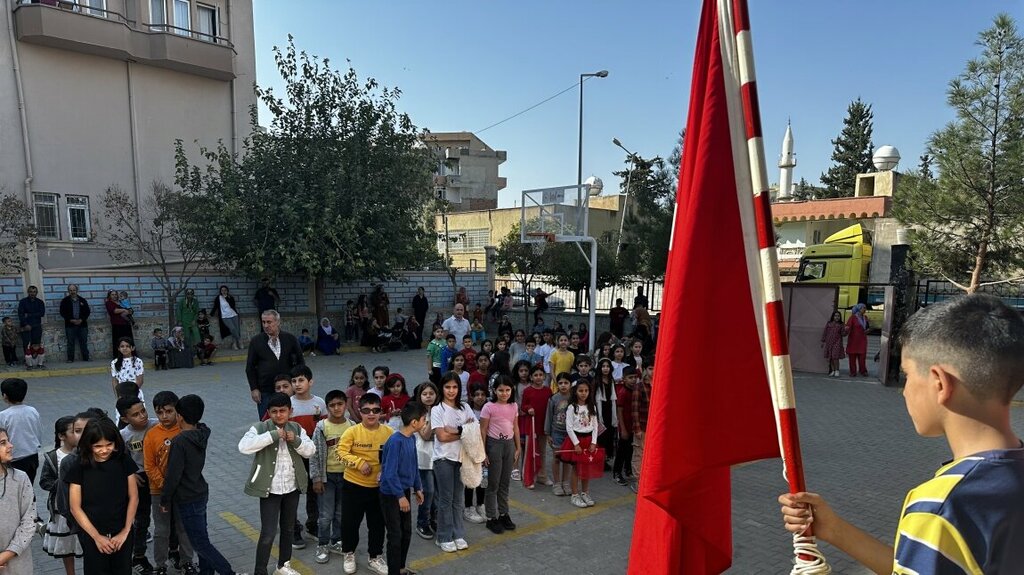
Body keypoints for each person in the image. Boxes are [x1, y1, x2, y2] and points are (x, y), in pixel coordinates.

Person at [779, 294, 1024, 573]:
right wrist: (834, 530)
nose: (904, 391)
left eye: (907, 375)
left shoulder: (943, 506)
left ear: (939, 382)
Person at [163, 395, 245, 575]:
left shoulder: (179, 442)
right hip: (200, 492)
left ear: (180, 417)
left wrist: (164, 499)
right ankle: (206, 572)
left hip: (187, 497)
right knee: (202, 536)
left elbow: (173, 475)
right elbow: (202, 425)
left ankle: (227, 572)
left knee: (200, 543)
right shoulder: (201, 433)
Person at [238, 393, 315, 575]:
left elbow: (310, 450)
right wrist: (271, 435)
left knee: (288, 529)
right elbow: (243, 446)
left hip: (291, 488)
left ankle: (283, 565)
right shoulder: (261, 427)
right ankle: (260, 570)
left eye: (283, 411)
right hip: (270, 490)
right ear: (269, 413)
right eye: (274, 411)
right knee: (268, 533)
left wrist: (295, 440)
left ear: (290, 411)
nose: (279, 415)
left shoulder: (297, 428)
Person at [67, 416, 139, 575]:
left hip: (122, 533)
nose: (104, 450)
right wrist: (97, 537)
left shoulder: (123, 460)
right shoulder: (79, 466)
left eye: (109, 444)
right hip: (92, 535)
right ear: (88, 445)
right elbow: (75, 507)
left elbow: (133, 497)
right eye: (98, 446)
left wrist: (125, 531)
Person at [337, 393, 393, 575]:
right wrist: (359, 463)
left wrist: (387, 472)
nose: (371, 414)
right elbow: (340, 453)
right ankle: (349, 553)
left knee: (377, 524)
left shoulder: (389, 433)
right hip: (353, 485)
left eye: (376, 410)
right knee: (349, 523)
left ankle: (375, 557)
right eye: (367, 410)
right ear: (359, 412)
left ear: (381, 412)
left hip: (379, 489)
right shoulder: (351, 432)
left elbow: (394, 457)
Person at [144, 391, 197, 575]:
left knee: (183, 528)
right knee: (161, 530)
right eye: (160, 413)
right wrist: (166, 485)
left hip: (183, 491)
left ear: (178, 411)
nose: (164, 416)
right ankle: (160, 565)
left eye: (169, 411)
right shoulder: (151, 435)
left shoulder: (185, 431)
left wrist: (177, 485)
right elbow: (149, 466)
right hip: (159, 492)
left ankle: (187, 561)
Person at [430, 372, 477, 553]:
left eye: (455, 387)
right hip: (443, 460)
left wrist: (455, 430)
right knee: (445, 499)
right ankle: (443, 536)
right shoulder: (437, 410)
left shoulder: (465, 407)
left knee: (458, 499)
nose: (451, 391)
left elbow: (475, 430)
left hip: (462, 459)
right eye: (447, 387)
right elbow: (441, 436)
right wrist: (464, 431)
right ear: (442, 388)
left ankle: (458, 534)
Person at [379, 402, 426, 575]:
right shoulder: (395, 441)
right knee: (395, 536)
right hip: (391, 495)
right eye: (423, 420)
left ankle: (401, 568)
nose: (425, 423)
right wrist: (400, 496)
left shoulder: (411, 438)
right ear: (414, 422)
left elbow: (414, 465)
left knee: (406, 533)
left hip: (403, 491)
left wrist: (417, 487)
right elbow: (389, 474)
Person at [116, 396, 158, 574]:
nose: (142, 416)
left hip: (159, 476)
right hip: (140, 480)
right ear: (125, 419)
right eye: (136, 414)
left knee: (167, 517)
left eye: (143, 411)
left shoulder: (156, 425)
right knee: (141, 520)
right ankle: (138, 556)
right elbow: (121, 459)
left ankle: (173, 551)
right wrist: (131, 474)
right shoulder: (124, 435)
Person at [309, 390, 351, 565]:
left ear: (345, 405)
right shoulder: (321, 427)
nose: (336, 408)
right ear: (327, 407)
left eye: (339, 404)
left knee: (341, 513)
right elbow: (314, 454)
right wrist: (317, 478)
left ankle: (337, 540)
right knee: (325, 514)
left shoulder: (352, 426)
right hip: (327, 478)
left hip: (347, 476)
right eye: (332, 405)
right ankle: (323, 543)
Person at [288, 366, 327, 548]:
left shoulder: (319, 402)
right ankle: (293, 529)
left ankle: (313, 525)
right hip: (294, 455)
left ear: (310, 382)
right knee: (293, 492)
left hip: (313, 454)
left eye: (301, 380)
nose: (297, 384)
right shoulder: (288, 404)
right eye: (294, 381)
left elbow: (325, 428)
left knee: (314, 490)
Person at [41, 416, 82, 574]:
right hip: (61, 510)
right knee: (66, 545)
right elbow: (44, 481)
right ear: (61, 436)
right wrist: (62, 484)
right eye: (73, 431)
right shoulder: (52, 457)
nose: (78, 435)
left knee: (84, 542)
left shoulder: (83, 453)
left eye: (79, 431)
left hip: (82, 507)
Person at [245, 310, 305, 419]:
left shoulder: (290, 339)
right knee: (267, 423)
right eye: (263, 322)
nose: (266, 325)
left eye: (269, 322)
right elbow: (250, 368)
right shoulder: (256, 341)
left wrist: (298, 384)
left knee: (290, 419)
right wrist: (254, 388)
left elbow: (301, 363)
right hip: (265, 391)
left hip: (288, 390)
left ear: (277, 322)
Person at [480, 376, 520, 535]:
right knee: (493, 484)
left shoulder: (514, 405)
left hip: (509, 445)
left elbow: (515, 427)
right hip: (494, 445)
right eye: (501, 390)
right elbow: (482, 430)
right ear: (494, 390)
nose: (504, 393)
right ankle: (491, 517)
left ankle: (504, 514)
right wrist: (483, 453)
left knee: (505, 483)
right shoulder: (488, 407)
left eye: (507, 390)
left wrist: (518, 447)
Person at [0, 426, 37, 575]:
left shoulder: (20, 478)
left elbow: (30, 520)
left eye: (7, 441)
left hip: (18, 563)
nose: (10, 446)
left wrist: (6, 554)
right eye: (2, 443)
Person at [0, 378, 42, 485]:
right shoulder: (32, 411)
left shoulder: (4, 416)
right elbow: (38, 431)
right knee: (28, 485)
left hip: (13, 459)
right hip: (32, 456)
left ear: (5, 396)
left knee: (14, 488)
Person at [563, 379, 599, 508]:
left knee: (586, 468)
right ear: (575, 392)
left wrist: (594, 442)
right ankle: (574, 494)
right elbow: (569, 427)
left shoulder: (592, 406)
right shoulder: (572, 407)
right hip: (577, 440)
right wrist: (576, 444)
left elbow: (595, 426)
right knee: (576, 468)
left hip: (589, 440)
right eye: (580, 390)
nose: (584, 393)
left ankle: (585, 492)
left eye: (586, 391)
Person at [411, 382, 439, 540]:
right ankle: (422, 522)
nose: (428, 396)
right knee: (427, 492)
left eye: (431, 393)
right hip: (423, 458)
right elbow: (426, 435)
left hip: (438, 456)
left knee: (437, 493)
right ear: (419, 396)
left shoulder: (439, 410)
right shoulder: (416, 414)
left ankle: (433, 519)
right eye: (425, 394)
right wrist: (437, 425)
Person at [519, 365, 552, 490]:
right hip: (531, 425)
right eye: (535, 375)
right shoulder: (527, 391)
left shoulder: (548, 391)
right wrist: (529, 408)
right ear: (531, 378)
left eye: (540, 375)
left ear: (544, 376)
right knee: (530, 452)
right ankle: (529, 477)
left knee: (542, 452)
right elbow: (523, 406)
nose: (538, 377)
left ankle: (542, 475)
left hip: (543, 425)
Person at [545, 373, 572, 497]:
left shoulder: (574, 398)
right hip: (557, 433)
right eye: (560, 383)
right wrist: (548, 434)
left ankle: (566, 482)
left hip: (570, 434)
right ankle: (556, 483)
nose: (563, 385)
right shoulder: (553, 399)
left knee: (567, 459)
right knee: (556, 458)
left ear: (570, 384)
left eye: (566, 383)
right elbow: (549, 416)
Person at [59, 284, 91, 363]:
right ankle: (70, 359)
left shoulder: (82, 300)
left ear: (77, 290)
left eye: (74, 290)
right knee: (70, 342)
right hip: (70, 325)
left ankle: (86, 358)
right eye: (70, 290)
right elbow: (62, 312)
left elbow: (87, 311)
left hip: (82, 324)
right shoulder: (65, 301)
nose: (72, 292)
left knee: (83, 342)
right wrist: (70, 320)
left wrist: (81, 320)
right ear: (68, 291)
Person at [111, 337, 145, 405]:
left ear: (132, 348)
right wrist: (118, 395)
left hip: (134, 394)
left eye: (127, 346)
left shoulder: (137, 361)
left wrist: (131, 394)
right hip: (121, 395)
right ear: (118, 348)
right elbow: (114, 381)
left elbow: (140, 380)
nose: (125, 348)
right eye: (122, 346)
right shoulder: (114, 362)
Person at [210, 285, 242, 351]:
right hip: (225, 316)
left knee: (236, 329)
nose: (224, 291)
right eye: (222, 290)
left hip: (234, 315)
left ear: (227, 291)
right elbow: (215, 307)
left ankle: (234, 344)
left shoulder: (230, 297)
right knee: (232, 329)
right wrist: (211, 314)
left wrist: (228, 298)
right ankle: (239, 340)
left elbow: (233, 306)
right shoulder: (218, 298)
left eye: (225, 290)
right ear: (220, 291)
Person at [105, 291, 134, 358]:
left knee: (128, 341)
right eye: (112, 295)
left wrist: (129, 311)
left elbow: (130, 310)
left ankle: (129, 355)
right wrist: (124, 310)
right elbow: (114, 311)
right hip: (117, 325)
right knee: (119, 341)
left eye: (115, 294)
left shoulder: (121, 301)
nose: (114, 296)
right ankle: (119, 356)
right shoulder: (108, 303)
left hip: (126, 324)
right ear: (109, 296)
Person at [16, 285, 44, 353]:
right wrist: (25, 324)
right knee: (26, 344)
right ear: (28, 292)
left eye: (34, 292)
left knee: (36, 344)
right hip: (26, 326)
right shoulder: (23, 302)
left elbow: (42, 313)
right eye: (31, 291)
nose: (32, 293)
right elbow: (21, 314)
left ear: (36, 293)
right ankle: (28, 360)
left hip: (36, 325)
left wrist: (28, 314)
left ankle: (37, 360)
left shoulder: (40, 302)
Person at [844, 303, 869, 377]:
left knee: (862, 357)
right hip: (853, 341)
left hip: (862, 340)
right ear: (859, 309)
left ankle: (863, 371)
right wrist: (845, 331)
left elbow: (867, 327)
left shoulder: (865, 318)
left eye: (865, 308)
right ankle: (853, 372)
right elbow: (848, 327)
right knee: (852, 357)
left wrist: (868, 330)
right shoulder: (852, 318)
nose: (865, 309)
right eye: (863, 308)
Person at [821, 310, 846, 377]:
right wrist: (823, 341)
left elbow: (843, 334)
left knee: (835, 357)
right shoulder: (829, 323)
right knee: (831, 357)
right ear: (833, 316)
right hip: (829, 342)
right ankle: (833, 370)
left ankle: (837, 370)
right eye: (835, 316)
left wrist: (846, 330)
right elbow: (825, 332)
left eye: (838, 316)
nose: (837, 317)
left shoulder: (841, 324)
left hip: (837, 342)